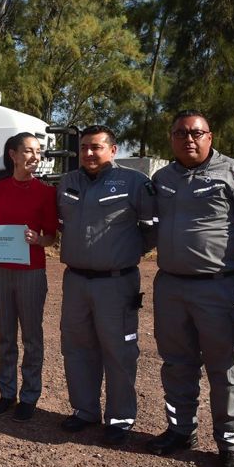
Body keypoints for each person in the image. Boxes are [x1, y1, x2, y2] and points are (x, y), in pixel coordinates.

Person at [146, 110, 234, 467]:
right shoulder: (162, 178)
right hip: (170, 286)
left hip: (219, 287)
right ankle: (180, 429)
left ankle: (231, 445)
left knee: (224, 369)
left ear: (210, 136)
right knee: (176, 363)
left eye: (196, 133)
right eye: (180, 133)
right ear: (171, 139)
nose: (189, 139)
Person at [56, 124, 156, 446]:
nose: (88, 153)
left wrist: (126, 251)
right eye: (84, 147)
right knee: (76, 348)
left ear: (113, 150)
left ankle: (120, 418)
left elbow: (152, 228)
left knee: (119, 351)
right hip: (75, 282)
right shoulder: (67, 182)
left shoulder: (134, 182)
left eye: (96, 147)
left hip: (116, 284)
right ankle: (84, 410)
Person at [0, 133, 57, 422]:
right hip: (1, 271)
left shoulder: (46, 193)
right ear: (13, 154)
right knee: (5, 336)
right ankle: (6, 392)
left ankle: (29, 396)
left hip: (31, 273)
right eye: (28, 151)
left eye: (38, 152)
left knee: (32, 337)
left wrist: (39, 240)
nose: (35, 157)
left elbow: (52, 236)